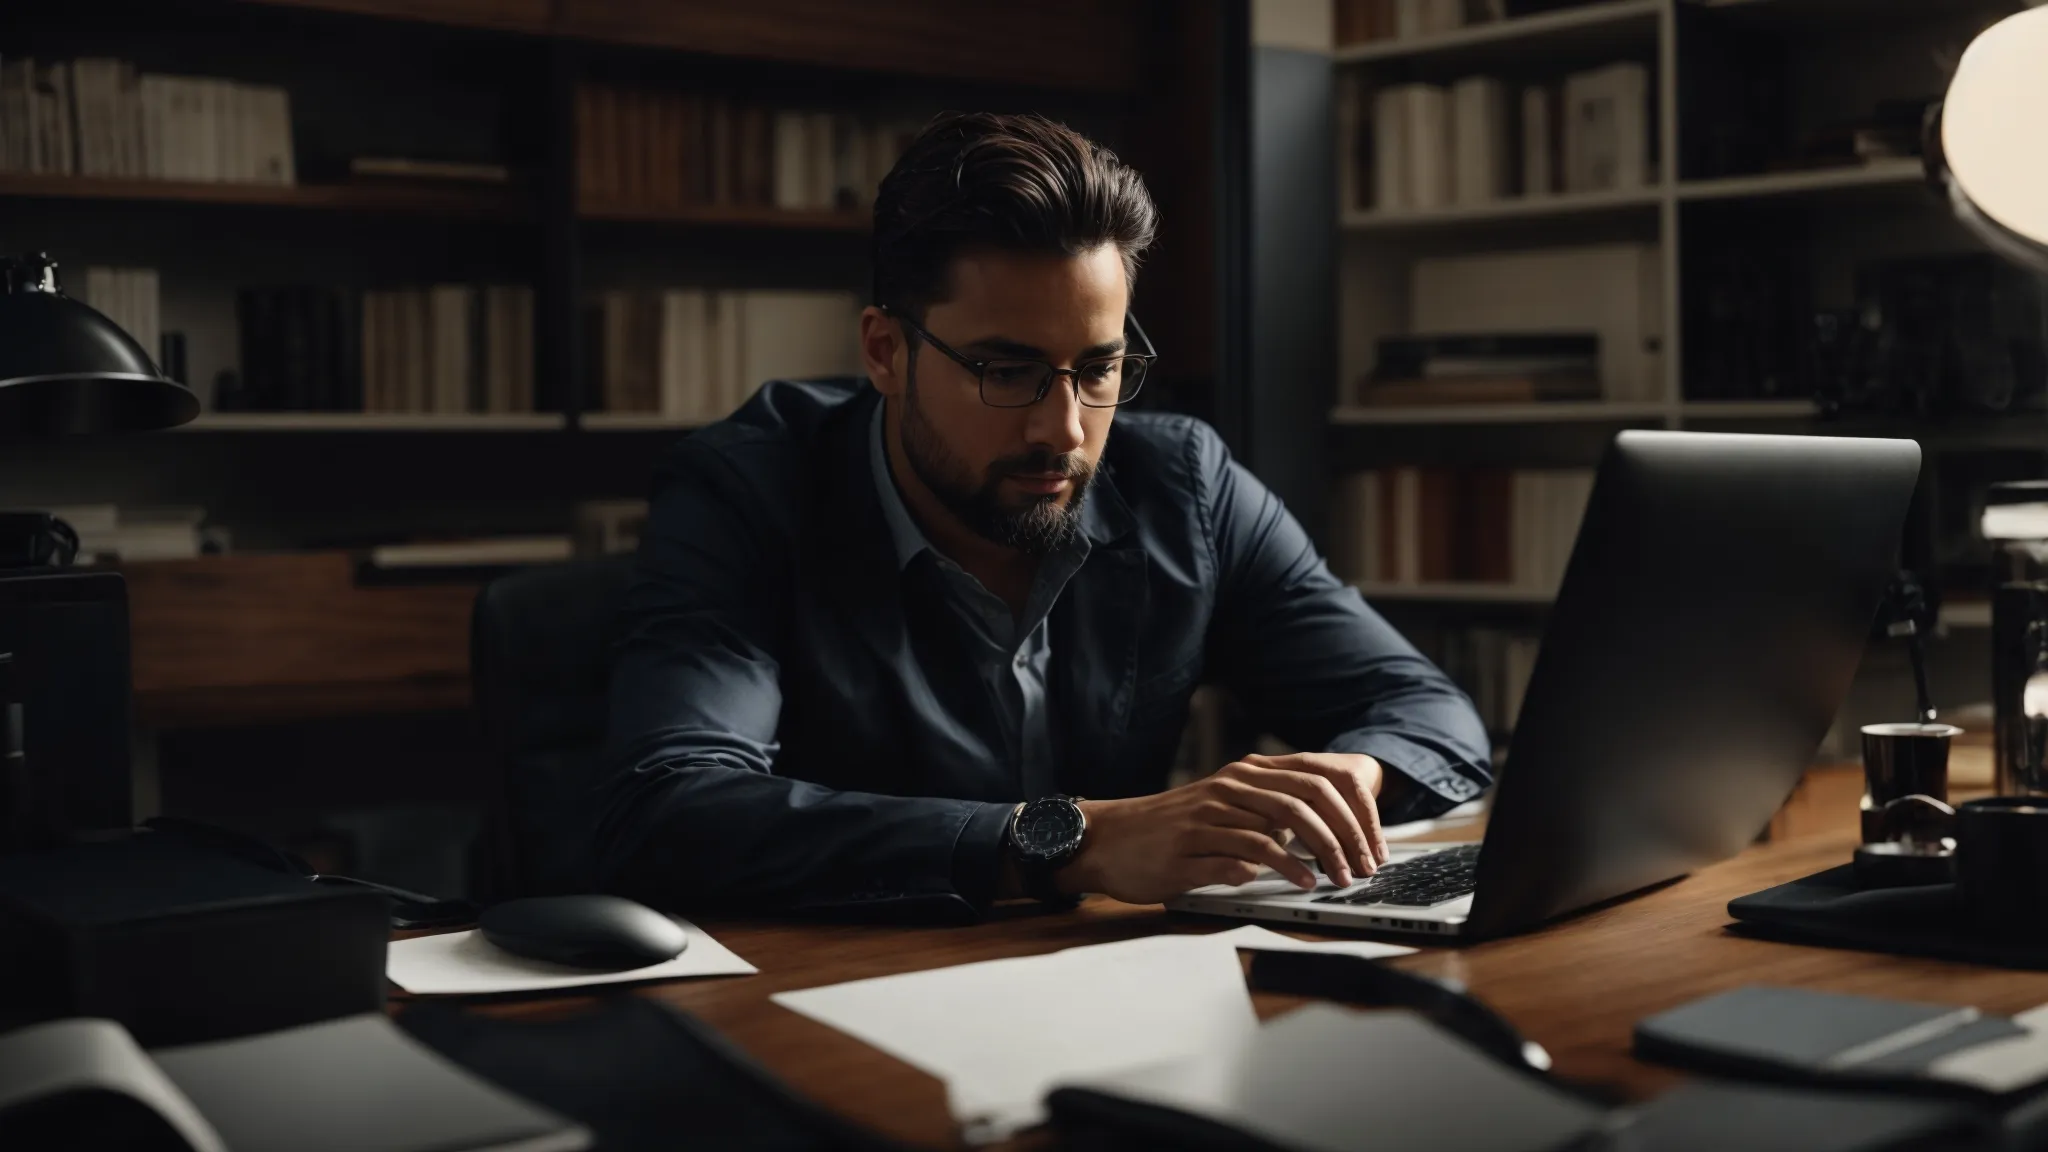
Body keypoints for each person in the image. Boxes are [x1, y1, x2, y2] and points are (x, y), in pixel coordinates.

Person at [595, 111, 1491, 920]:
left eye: (1098, 370)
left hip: (1105, 985)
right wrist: (1073, 841)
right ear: (885, 351)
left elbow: (1425, 712)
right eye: (1005, 370)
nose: (1062, 429)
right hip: (837, 994)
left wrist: (1344, 780)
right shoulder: (746, 489)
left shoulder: (1185, 482)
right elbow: (670, 808)